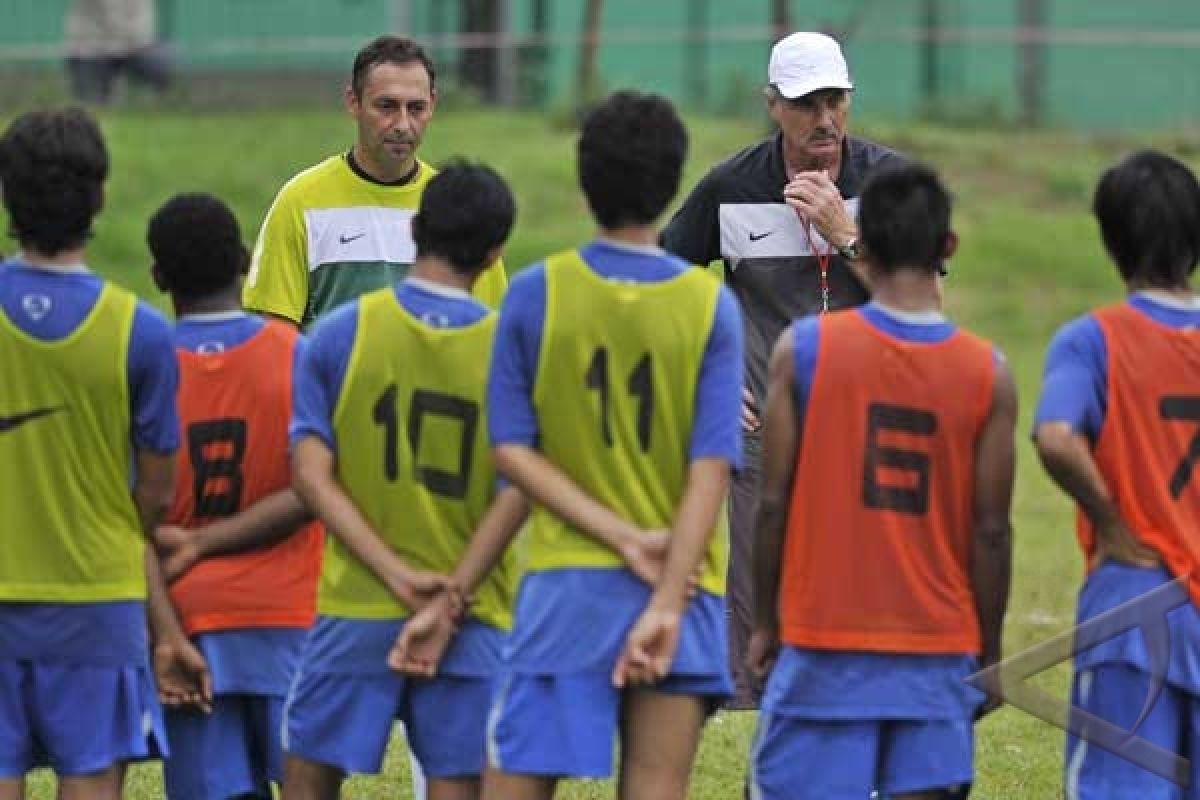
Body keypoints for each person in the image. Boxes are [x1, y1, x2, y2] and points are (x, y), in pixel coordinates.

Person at [483, 90, 742, 800]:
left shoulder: (537, 293)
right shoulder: (708, 302)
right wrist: (662, 599)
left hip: (568, 586)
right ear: (672, 182)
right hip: (684, 588)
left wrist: (620, 537)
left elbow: (511, 450)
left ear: (584, 177)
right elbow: (710, 467)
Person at [748, 162, 1016, 799]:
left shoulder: (804, 351)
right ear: (946, 247)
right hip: (935, 650)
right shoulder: (988, 373)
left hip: (823, 644)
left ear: (868, 240)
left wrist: (764, 621)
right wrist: (991, 649)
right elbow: (991, 530)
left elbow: (773, 502)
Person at [660, 31, 904, 708]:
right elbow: (664, 283)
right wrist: (707, 374)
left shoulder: (890, 183)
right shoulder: (730, 186)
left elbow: (920, 301)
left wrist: (845, 233)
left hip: (870, 419)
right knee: (758, 584)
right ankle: (769, 715)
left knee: (870, 578)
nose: (825, 119)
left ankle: (861, 698)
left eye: (836, 100)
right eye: (806, 104)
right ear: (773, 105)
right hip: (765, 423)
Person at [282, 161, 522, 800]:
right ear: (496, 251)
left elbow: (309, 476)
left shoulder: (335, 337)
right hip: (473, 612)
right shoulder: (512, 351)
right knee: (455, 781)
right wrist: (449, 600)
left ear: (416, 229)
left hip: (358, 601)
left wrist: (392, 575)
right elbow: (519, 490)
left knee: (306, 772)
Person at [0, 108, 206, 799]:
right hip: (96, 599)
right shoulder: (140, 332)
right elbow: (154, 489)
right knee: (89, 781)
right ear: (100, 195)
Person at [1033, 150, 1200, 799]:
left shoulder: (1092, 339)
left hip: (1137, 603)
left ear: (1111, 240)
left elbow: (1055, 436)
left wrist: (1109, 519)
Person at [146, 193, 323, 800]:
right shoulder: (298, 357)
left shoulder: (148, 365)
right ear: (247, 263)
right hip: (292, 615)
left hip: (191, 618)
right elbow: (315, 490)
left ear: (159, 276)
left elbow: (131, 512)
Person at [243, 35, 507, 330]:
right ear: (353, 103)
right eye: (387, 106)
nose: (403, 125)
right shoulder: (301, 201)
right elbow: (276, 340)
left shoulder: (457, 207)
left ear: (433, 105)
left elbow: (490, 333)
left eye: (416, 108)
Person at [65, 0, 174, 106]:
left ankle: (161, 102)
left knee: (166, 61)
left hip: (134, 47)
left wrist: (130, 43)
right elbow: (109, 16)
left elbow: (143, 26)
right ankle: (99, 99)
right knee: (91, 105)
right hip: (91, 50)